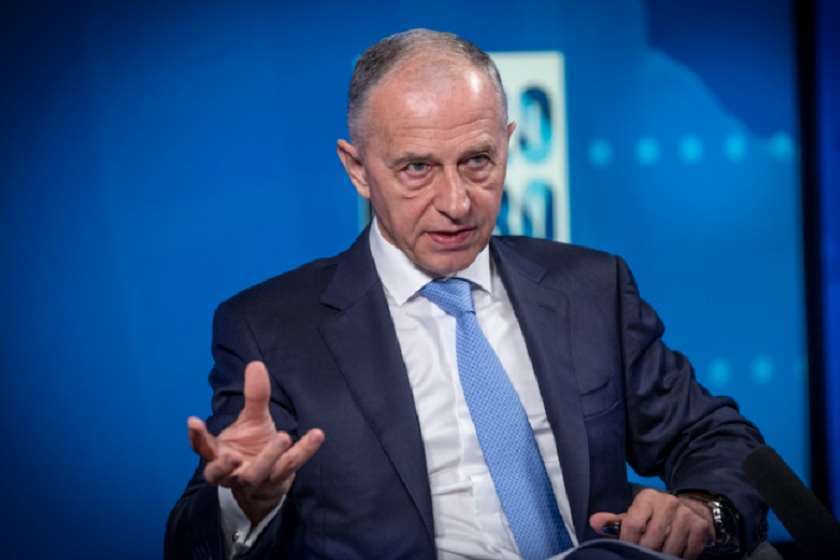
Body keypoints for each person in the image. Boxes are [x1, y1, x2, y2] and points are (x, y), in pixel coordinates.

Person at [165, 29, 767, 560]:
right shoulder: (270, 329)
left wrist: (701, 510)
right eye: (417, 168)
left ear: (508, 143)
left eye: (478, 160)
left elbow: (717, 439)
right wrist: (246, 502)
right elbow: (189, 544)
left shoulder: (591, 288)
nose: (456, 203)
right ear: (358, 169)